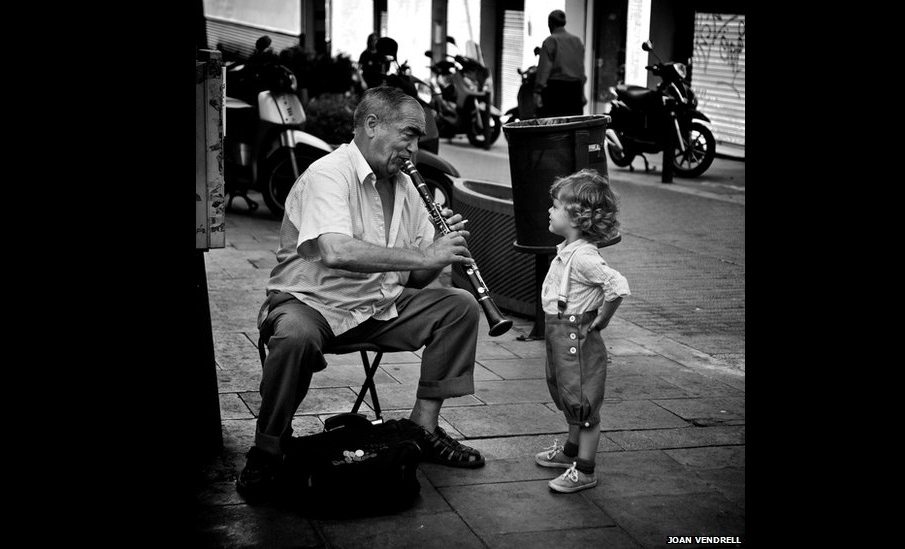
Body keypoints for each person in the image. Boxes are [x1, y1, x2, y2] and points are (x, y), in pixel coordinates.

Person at [237, 86, 486, 501]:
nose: (414, 146)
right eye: (409, 133)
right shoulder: (327, 175)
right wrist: (420, 255)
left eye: (418, 138)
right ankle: (267, 448)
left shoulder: (407, 187)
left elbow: (415, 278)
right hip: (311, 304)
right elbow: (335, 251)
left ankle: (422, 427)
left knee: (459, 307)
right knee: (294, 337)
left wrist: (441, 257)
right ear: (372, 125)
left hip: (377, 304)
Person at [534, 169, 629, 493]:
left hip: (575, 337)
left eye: (556, 206)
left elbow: (617, 286)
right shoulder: (568, 249)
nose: (550, 210)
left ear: (576, 216)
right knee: (568, 395)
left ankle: (585, 469)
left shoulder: (585, 256)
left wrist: (601, 320)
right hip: (560, 335)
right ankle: (570, 453)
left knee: (584, 404)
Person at [533, 9, 586, 118]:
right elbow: (581, 70)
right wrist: (582, 93)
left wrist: (537, 92)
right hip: (575, 90)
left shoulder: (550, 41)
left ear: (550, 23)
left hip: (556, 90)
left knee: (554, 127)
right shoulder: (577, 41)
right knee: (573, 125)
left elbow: (544, 70)